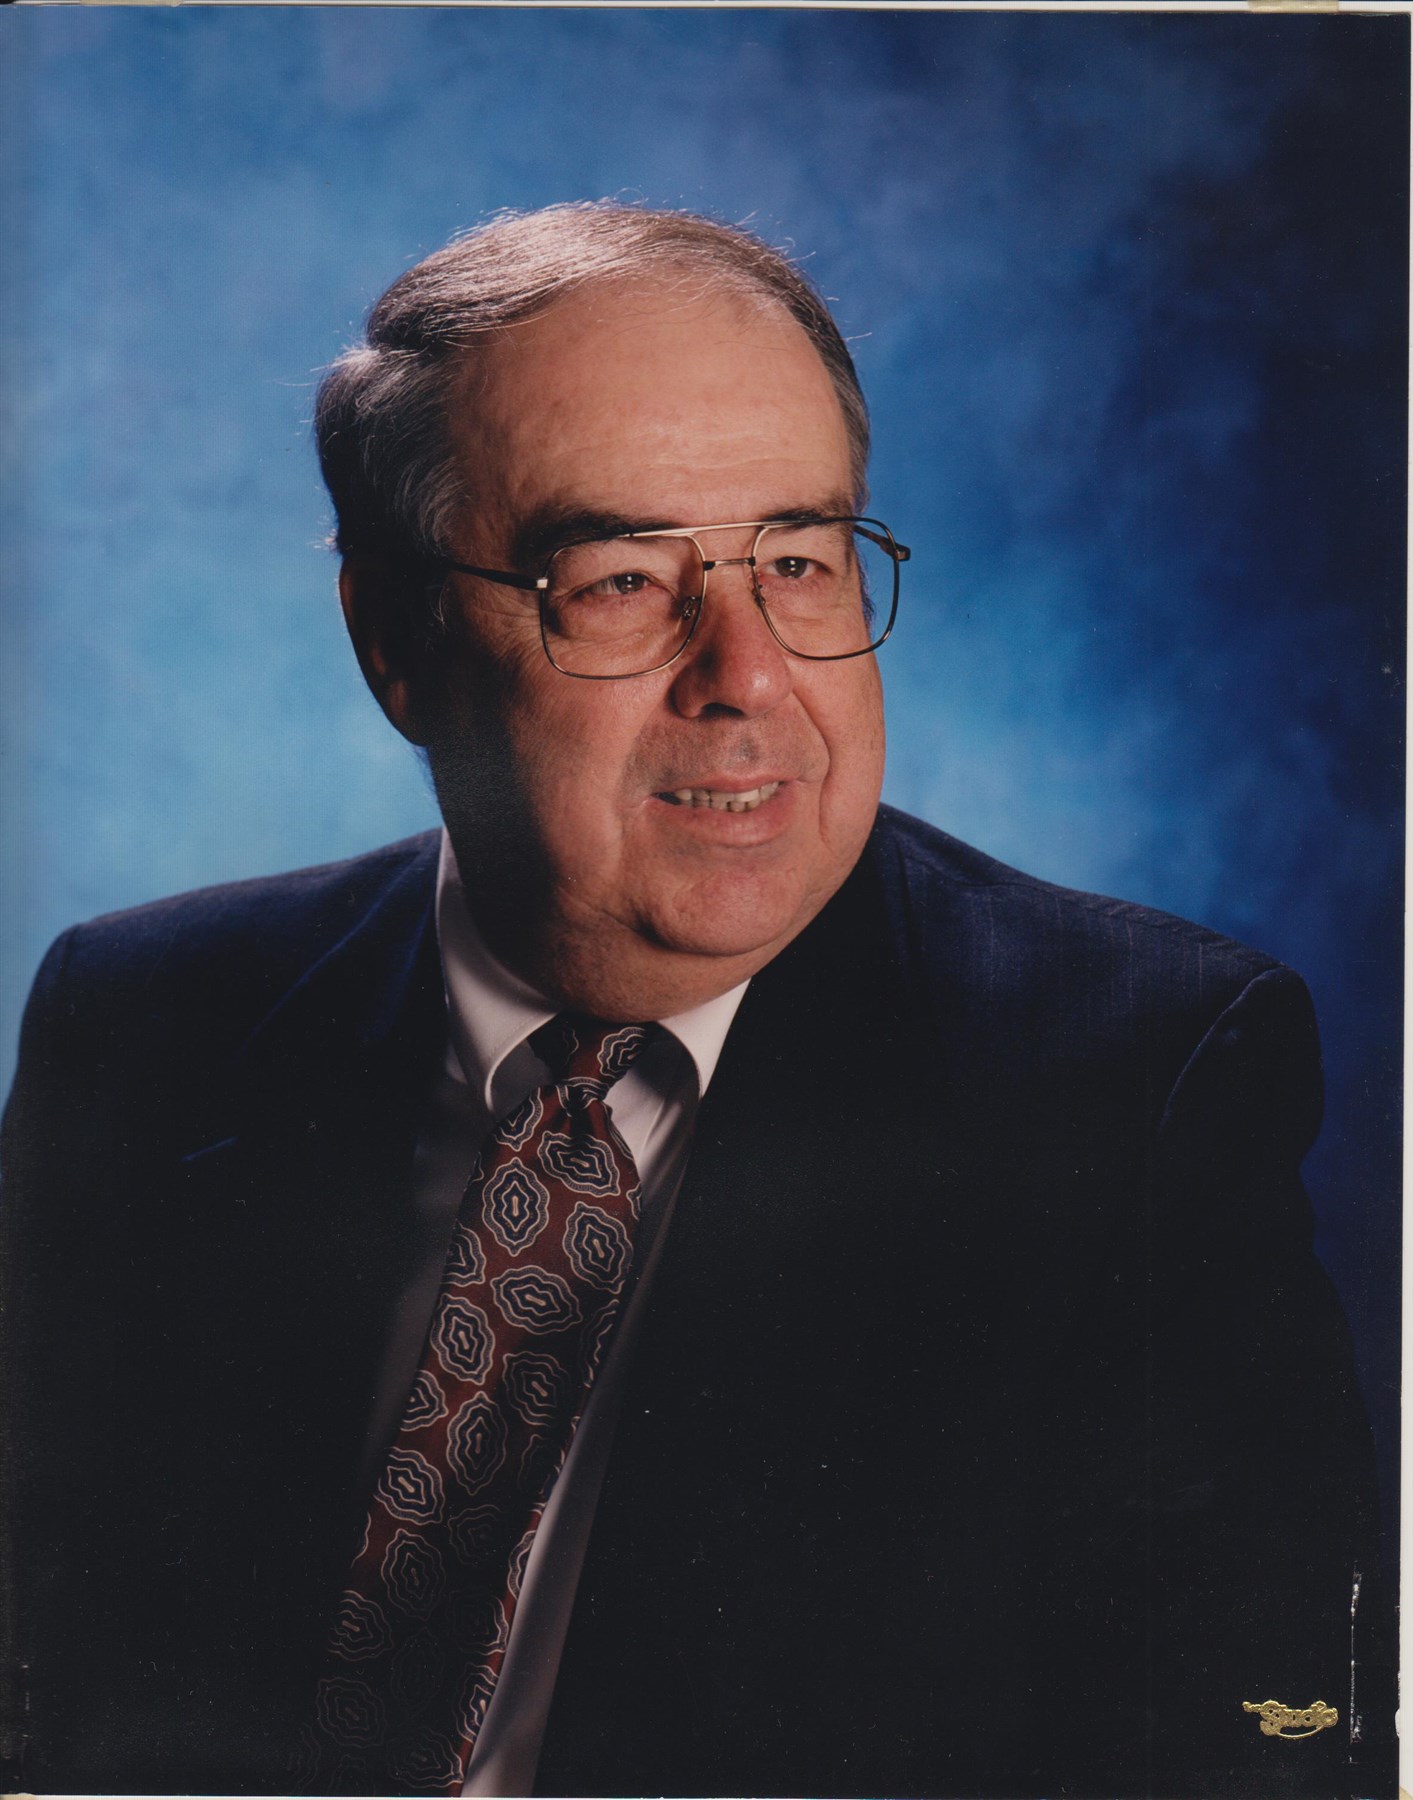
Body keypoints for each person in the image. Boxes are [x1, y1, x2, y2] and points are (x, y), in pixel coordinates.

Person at [0, 202, 1392, 1799]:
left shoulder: (1134, 1082)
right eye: (616, 581)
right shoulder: (147, 1021)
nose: (748, 673)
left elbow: (1262, 1754)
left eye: (796, 562)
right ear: (396, 642)